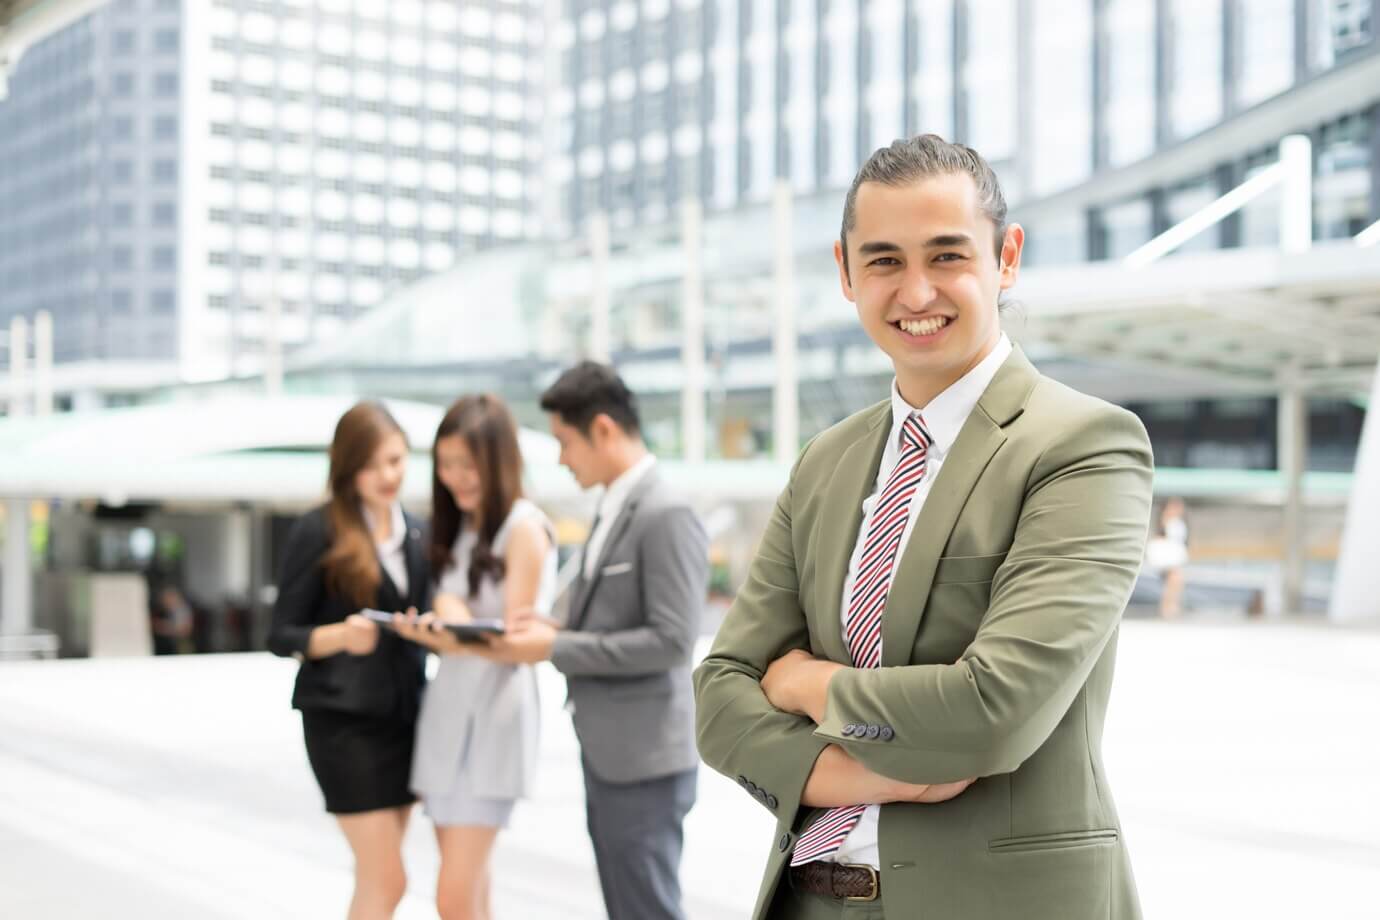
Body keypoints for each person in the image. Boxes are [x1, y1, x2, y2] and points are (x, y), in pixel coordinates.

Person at [693, 135, 1154, 920]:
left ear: (1005, 258)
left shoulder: (1082, 446)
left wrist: (811, 684)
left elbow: (994, 709)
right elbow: (720, 697)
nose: (915, 292)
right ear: (844, 272)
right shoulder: (826, 462)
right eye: (883, 262)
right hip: (811, 900)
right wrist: (850, 777)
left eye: (946, 257)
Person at [473, 362, 709, 920]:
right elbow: (610, 619)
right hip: (612, 751)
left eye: (564, 442)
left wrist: (554, 648)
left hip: (645, 759)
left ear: (602, 430)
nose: (560, 459)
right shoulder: (611, 504)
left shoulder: (665, 513)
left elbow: (673, 641)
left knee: (647, 908)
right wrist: (553, 628)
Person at [392, 394, 557, 920]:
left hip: (492, 721)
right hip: (450, 714)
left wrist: (446, 634)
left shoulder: (523, 528)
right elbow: (452, 601)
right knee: (470, 892)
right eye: (446, 465)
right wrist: (446, 614)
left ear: (498, 460)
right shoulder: (463, 525)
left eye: (468, 464)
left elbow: (518, 641)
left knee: (454, 896)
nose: (456, 477)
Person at [267, 401, 430, 920]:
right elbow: (279, 633)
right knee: (388, 878)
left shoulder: (418, 533)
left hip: (405, 718)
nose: (387, 476)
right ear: (347, 466)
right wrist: (341, 635)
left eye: (397, 461)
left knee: (378, 881)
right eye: (372, 464)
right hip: (343, 723)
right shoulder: (319, 530)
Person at [1146, 497, 1190, 618]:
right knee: (1175, 579)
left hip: (1174, 557)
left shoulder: (1179, 522)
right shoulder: (1165, 521)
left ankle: (1171, 606)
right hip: (1166, 558)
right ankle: (1167, 607)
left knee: (1176, 580)